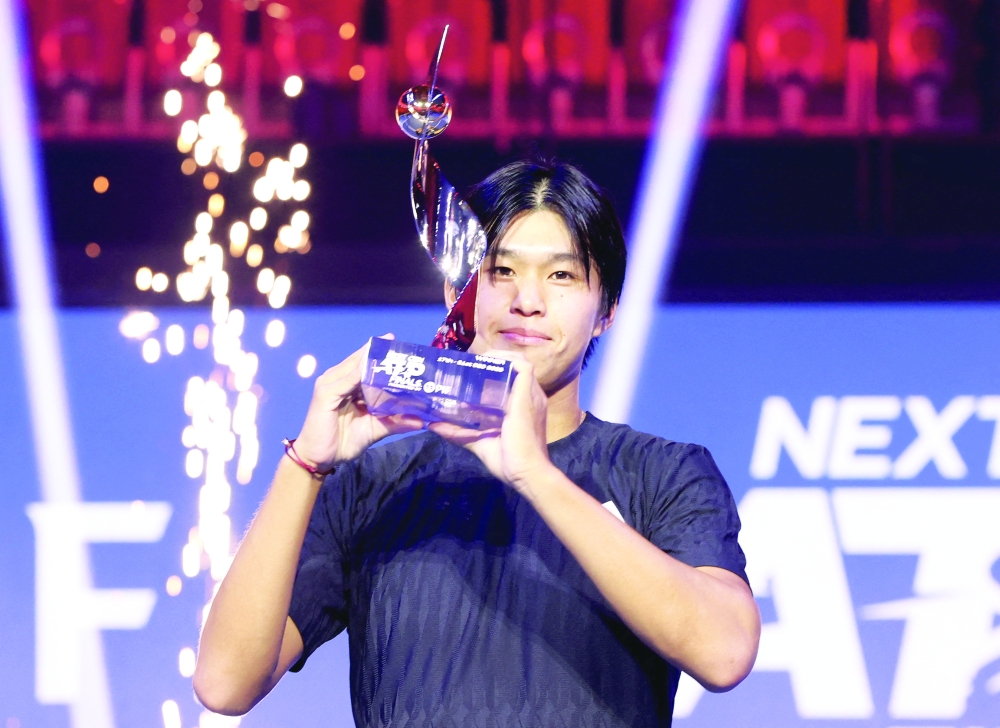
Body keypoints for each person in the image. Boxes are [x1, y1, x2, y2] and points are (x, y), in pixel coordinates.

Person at [194, 159, 760, 727]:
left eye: (561, 276)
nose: (527, 301)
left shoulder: (661, 474)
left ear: (606, 310)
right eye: (500, 271)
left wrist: (534, 474)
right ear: (457, 293)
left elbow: (725, 652)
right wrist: (306, 463)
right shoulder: (375, 485)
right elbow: (224, 684)